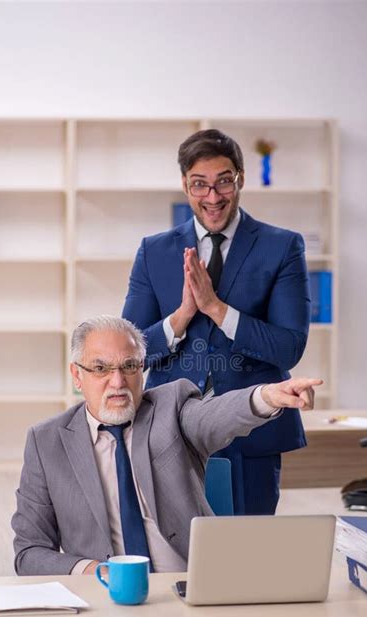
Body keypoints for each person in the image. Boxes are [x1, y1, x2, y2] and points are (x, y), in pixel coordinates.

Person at [11, 316, 340, 617]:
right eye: (101, 369)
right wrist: (89, 570)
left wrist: (266, 397)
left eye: (130, 367)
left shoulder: (171, 407)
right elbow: (29, 552)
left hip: (200, 610)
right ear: (77, 375)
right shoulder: (46, 442)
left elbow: (216, 416)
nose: (118, 382)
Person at [122, 128, 311, 518]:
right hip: (170, 430)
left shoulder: (282, 246)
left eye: (224, 181)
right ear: (184, 185)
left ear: (240, 177)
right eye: (199, 185)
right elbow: (131, 350)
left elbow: (289, 346)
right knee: (172, 554)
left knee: (249, 555)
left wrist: (217, 309)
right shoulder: (153, 250)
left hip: (253, 432)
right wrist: (183, 314)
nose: (213, 197)